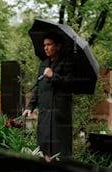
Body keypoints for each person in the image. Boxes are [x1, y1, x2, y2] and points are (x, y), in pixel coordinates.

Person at [22, 34, 74, 163]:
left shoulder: (67, 63)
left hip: (59, 114)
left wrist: (53, 75)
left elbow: (71, 84)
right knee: (44, 146)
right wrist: (30, 106)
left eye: (49, 44)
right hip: (45, 112)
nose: (46, 48)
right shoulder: (43, 65)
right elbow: (38, 88)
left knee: (59, 148)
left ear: (58, 46)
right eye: (44, 45)